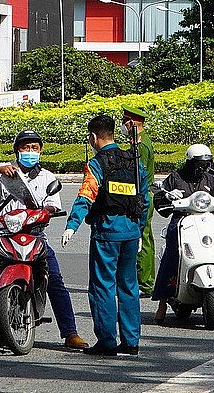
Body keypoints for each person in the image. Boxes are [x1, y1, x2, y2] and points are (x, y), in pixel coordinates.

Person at [0, 130, 88, 350]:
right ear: (17, 150)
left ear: (40, 151)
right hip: (2, 233)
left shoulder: (47, 177)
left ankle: (70, 332)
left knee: (55, 279)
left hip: (35, 235)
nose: (30, 152)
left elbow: (54, 204)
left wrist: (46, 211)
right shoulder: (3, 171)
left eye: (34, 148)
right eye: (25, 148)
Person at [61, 115, 149, 356]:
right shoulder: (134, 160)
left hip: (106, 232)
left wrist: (72, 225)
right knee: (129, 286)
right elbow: (145, 199)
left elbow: (86, 195)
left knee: (103, 287)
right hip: (131, 232)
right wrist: (139, 229)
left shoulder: (97, 163)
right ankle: (131, 342)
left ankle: (107, 342)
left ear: (93, 137)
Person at [152, 144, 214, 324]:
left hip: (208, 223)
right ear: (190, 162)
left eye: (206, 164)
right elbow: (160, 202)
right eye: (199, 164)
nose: (203, 168)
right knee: (172, 254)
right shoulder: (175, 178)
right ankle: (162, 302)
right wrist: (167, 197)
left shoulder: (211, 180)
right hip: (183, 223)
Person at [120, 105, 156, 298]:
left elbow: (137, 174)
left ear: (132, 123)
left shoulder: (140, 145)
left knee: (141, 239)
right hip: (143, 195)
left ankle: (146, 282)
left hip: (140, 196)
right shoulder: (140, 141)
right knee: (145, 238)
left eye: (125, 121)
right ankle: (146, 280)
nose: (123, 125)